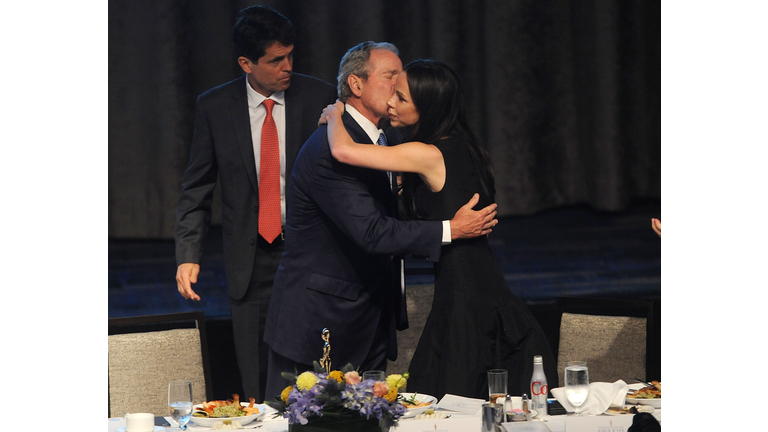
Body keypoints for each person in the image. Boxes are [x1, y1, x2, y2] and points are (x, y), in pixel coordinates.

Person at [262, 42, 499, 400]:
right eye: (391, 76)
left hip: (367, 321)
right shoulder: (332, 150)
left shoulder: (385, 142)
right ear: (356, 85)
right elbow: (372, 232)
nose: (400, 83)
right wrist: (453, 229)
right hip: (322, 323)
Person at [318, 59, 558, 398]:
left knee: (450, 397)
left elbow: (343, 150)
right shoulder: (465, 146)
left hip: (464, 294)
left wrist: (334, 115)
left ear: (426, 107)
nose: (390, 104)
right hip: (476, 285)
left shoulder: (427, 154)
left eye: (400, 99)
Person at [174, 5, 337, 402]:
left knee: (314, 374)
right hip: (250, 261)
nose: (287, 67)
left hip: (307, 254)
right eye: (276, 60)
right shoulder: (215, 107)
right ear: (246, 62)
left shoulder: (317, 96)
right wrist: (187, 254)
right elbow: (197, 188)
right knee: (256, 380)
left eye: (291, 56)